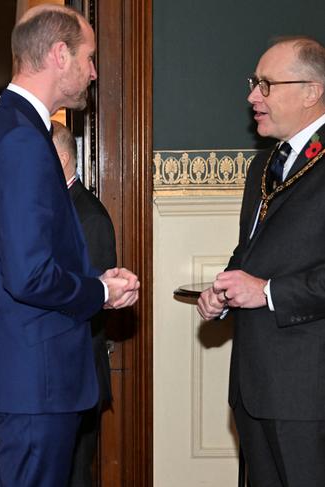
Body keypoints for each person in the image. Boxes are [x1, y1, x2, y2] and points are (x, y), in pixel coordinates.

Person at [0, 5, 139, 486]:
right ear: (60, 54)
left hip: (24, 373)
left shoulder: (8, 128)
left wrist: (94, 280)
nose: (93, 71)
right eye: (88, 57)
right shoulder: (22, 139)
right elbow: (28, 275)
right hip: (34, 379)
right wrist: (101, 294)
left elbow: (25, 259)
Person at [197, 37, 325, 486]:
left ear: (311, 91)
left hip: (308, 393)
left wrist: (267, 292)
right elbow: (251, 252)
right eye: (255, 83)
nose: (253, 96)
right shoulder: (264, 166)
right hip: (253, 387)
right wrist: (223, 293)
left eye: (266, 85)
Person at [51, 120, 115, 487]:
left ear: (60, 159)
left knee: (75, 476)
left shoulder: (88, 216)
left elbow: (92, 301)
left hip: (76, 375)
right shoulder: (57, 209)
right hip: (57, 377)